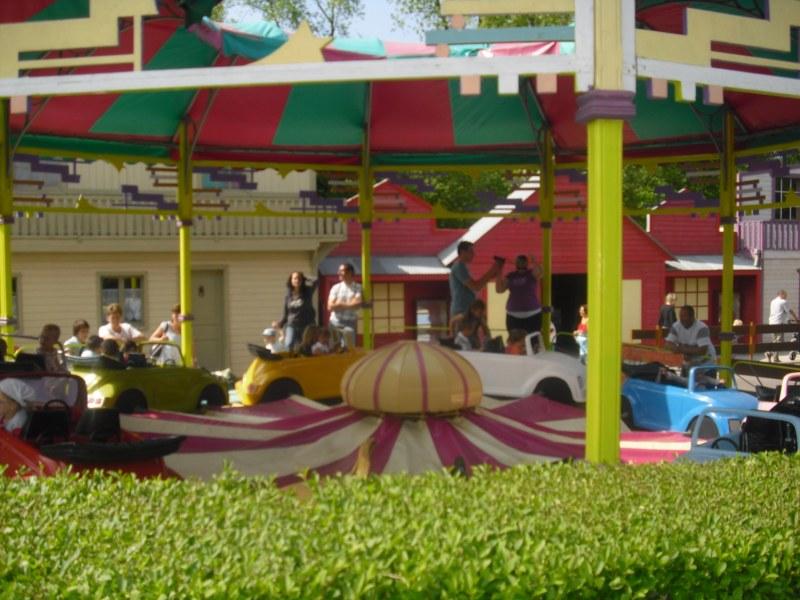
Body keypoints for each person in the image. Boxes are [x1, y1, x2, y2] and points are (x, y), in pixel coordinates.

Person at [449, 241, 502, 325]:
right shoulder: (459, 266)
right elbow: (476, 286)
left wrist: (492, 274)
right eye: (470, 251)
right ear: (462, 252)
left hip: (468, 311)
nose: (473, 254)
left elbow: (477, 286)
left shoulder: (463, 267)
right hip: (461, 311)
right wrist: (492, 270)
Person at [495, 254, 543, 335]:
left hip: (533, 314)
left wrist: (534, 261)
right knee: (515, 340)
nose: (521, 263)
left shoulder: (531, 273)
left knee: (533, 340)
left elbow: (541, 272)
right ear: (516, 263)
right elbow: (499, 290)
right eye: (518, 261)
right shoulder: (511, 276)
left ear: (526, 263)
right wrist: (499, 270)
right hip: (513, 316)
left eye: (523, 261)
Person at [665, 305, 717, 369]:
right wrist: (688, 350)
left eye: (684, 316)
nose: (682, 319)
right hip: (689, 363)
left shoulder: (701, 328)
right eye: (680, 316)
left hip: (706, 363)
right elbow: (668, 344)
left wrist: (681, 349)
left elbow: (702, 350)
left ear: (692, 317)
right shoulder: (676, 326)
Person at [278, 271, 317, 351]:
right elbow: (286, 313)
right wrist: (280, 323)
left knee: (305, 347)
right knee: (289, 344)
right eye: (295, 278)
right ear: (291, 281)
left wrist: (305, 278)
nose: (297, 280)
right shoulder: (288, 296)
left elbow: (316, 280)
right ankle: (289, 359)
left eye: (299, 278)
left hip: (306, 325)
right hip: (292, 325)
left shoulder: (308, 292)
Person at [327, 263, 362, 349]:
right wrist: (350, 303)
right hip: (335, 322)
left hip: (350, 323)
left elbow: (357, 304)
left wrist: (339, 304)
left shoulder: (358, 287)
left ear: (350, 273)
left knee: (349, 349)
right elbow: (330, 306)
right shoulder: (335, 287)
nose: (338, 273)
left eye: (341, 271)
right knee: (335, 349)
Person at [767, 290, 798, 362]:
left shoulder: (773, 301)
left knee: (775, 340)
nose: (786, 297)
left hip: (771, 322)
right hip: (779, 323)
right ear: (782, 294)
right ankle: (770, 353)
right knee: (780, 341)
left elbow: (779, 312)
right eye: (786, 295)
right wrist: (796, 319)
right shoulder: (783, 301)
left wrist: (787, 319)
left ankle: (775, 358)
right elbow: (789, 311)